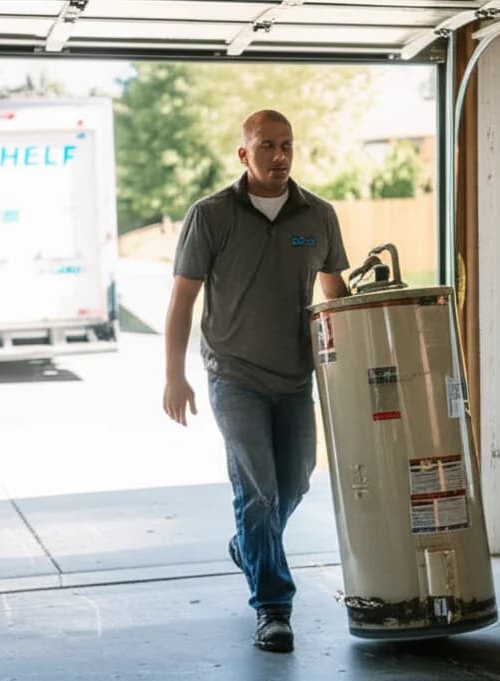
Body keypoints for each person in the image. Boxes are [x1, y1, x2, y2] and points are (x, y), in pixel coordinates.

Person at [162, 109, 349, 653]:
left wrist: (352, 365)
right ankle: (273, 607)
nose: (280, 154)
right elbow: (182, 298)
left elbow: (335, 293)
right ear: (245, 154)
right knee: (259, 492)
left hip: (295, 377)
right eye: (267, 145)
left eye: (287, 144)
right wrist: (175, 376)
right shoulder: (212, 215)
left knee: (295, 483)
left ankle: (249, 545)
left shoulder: (318, 215)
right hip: (233, 375)